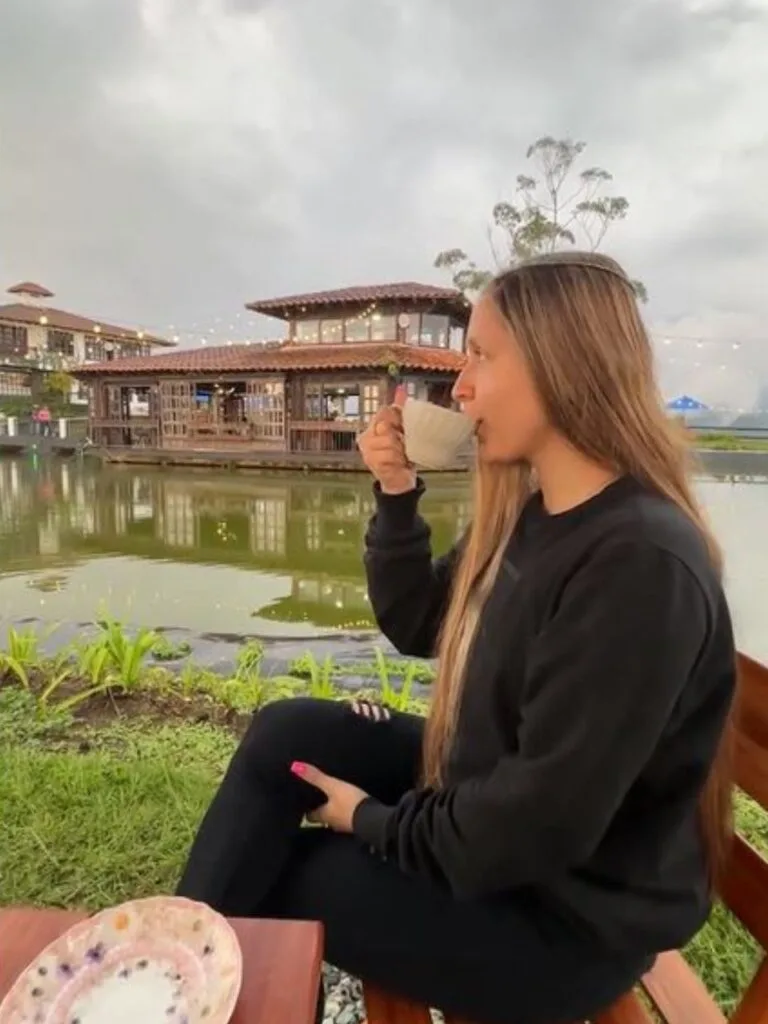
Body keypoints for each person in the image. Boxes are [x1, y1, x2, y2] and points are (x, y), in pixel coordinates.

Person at [176, 251, 737, 1024]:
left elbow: (534, 824)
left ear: (562, 363)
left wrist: (369, 821)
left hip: (560, 920)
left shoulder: (638, 565)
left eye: (481, 354)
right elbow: (417, 623)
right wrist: (398, 495)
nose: (461, 385)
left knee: (281, 871)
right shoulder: (536, 516)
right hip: (498, 812)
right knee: (288, 734)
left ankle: (171, 980)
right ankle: (171, 971)